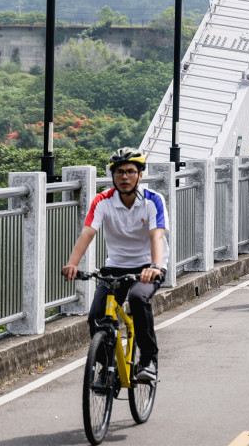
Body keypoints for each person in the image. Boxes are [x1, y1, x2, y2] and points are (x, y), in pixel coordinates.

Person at [62, 148, 169, 384]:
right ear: (113, 175)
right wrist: (72, 263)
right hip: (116, 267)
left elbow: (156, 236)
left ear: (140, 175)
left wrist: (155, 266)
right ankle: (107, 368)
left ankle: (149, 361)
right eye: (119, 172)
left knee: (139, 299)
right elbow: (88, 232)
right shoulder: (103, 200)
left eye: (131, 171)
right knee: (96, 317)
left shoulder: (153, 200)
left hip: (148, 266)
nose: (124, 177)